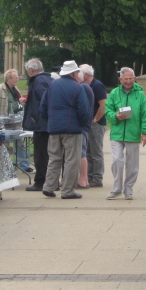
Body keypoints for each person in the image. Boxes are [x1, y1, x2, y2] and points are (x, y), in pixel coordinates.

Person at [39, 60, 91, 199]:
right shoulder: (77, 87)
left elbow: (43, 107)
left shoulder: (52, 85)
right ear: (74, 73)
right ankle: (68, 190)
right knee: (71, 160)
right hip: (72, 129)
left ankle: (49, 186)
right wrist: (84, 124)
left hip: (54, 127)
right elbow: (84, 110)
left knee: (54, 158)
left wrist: (49, 121)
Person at [105, 67, 146, 200]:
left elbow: (145, 115)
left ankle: (128, 188)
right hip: (117, 133)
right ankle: (117, 188)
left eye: (131, 79)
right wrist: (115, 116)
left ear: (135, 79)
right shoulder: (114, 93)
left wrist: (145, 133)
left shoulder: (140, 94)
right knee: (117, 160)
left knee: (132, 164)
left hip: (133, 133)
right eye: (126, 79)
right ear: (120, 79)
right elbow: (108, 111)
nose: (128, 81)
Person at [0, 69, 32, 172]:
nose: (17, 79)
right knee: (4, 145)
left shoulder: (15, 89)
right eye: (15, 78)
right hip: (3, 123)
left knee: (21, 144)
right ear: (8, 79)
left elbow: (17, 103)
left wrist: (22, 101)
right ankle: (4, 167)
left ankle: (24, 165)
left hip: (16, 122)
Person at [22, 58, 54, 191]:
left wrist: (37, 117)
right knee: (49, 154)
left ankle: (41, 182)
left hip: (41, 124)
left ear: (31, 70)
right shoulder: (49, 79)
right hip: (48, 123)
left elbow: (44, 100)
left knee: (40, 154)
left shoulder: (38, 81)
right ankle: (50, 181)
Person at [80, 64, 107, 188]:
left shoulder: (97, 85)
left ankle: (97, 177)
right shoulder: (87, 86)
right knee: (89, 152)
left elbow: (103, 105)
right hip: (89, 123)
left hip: (97, 124)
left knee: (96, 152)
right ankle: (90, 176)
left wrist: (96, 119)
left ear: (85, 74)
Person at [75, 68, 95, 189]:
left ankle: (82, 180)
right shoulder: (85, 86)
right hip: (85, 125)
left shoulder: (82, 87)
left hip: (82, 126)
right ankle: (84, 180)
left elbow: (83, 108)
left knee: (81, 153)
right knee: (83, 152)